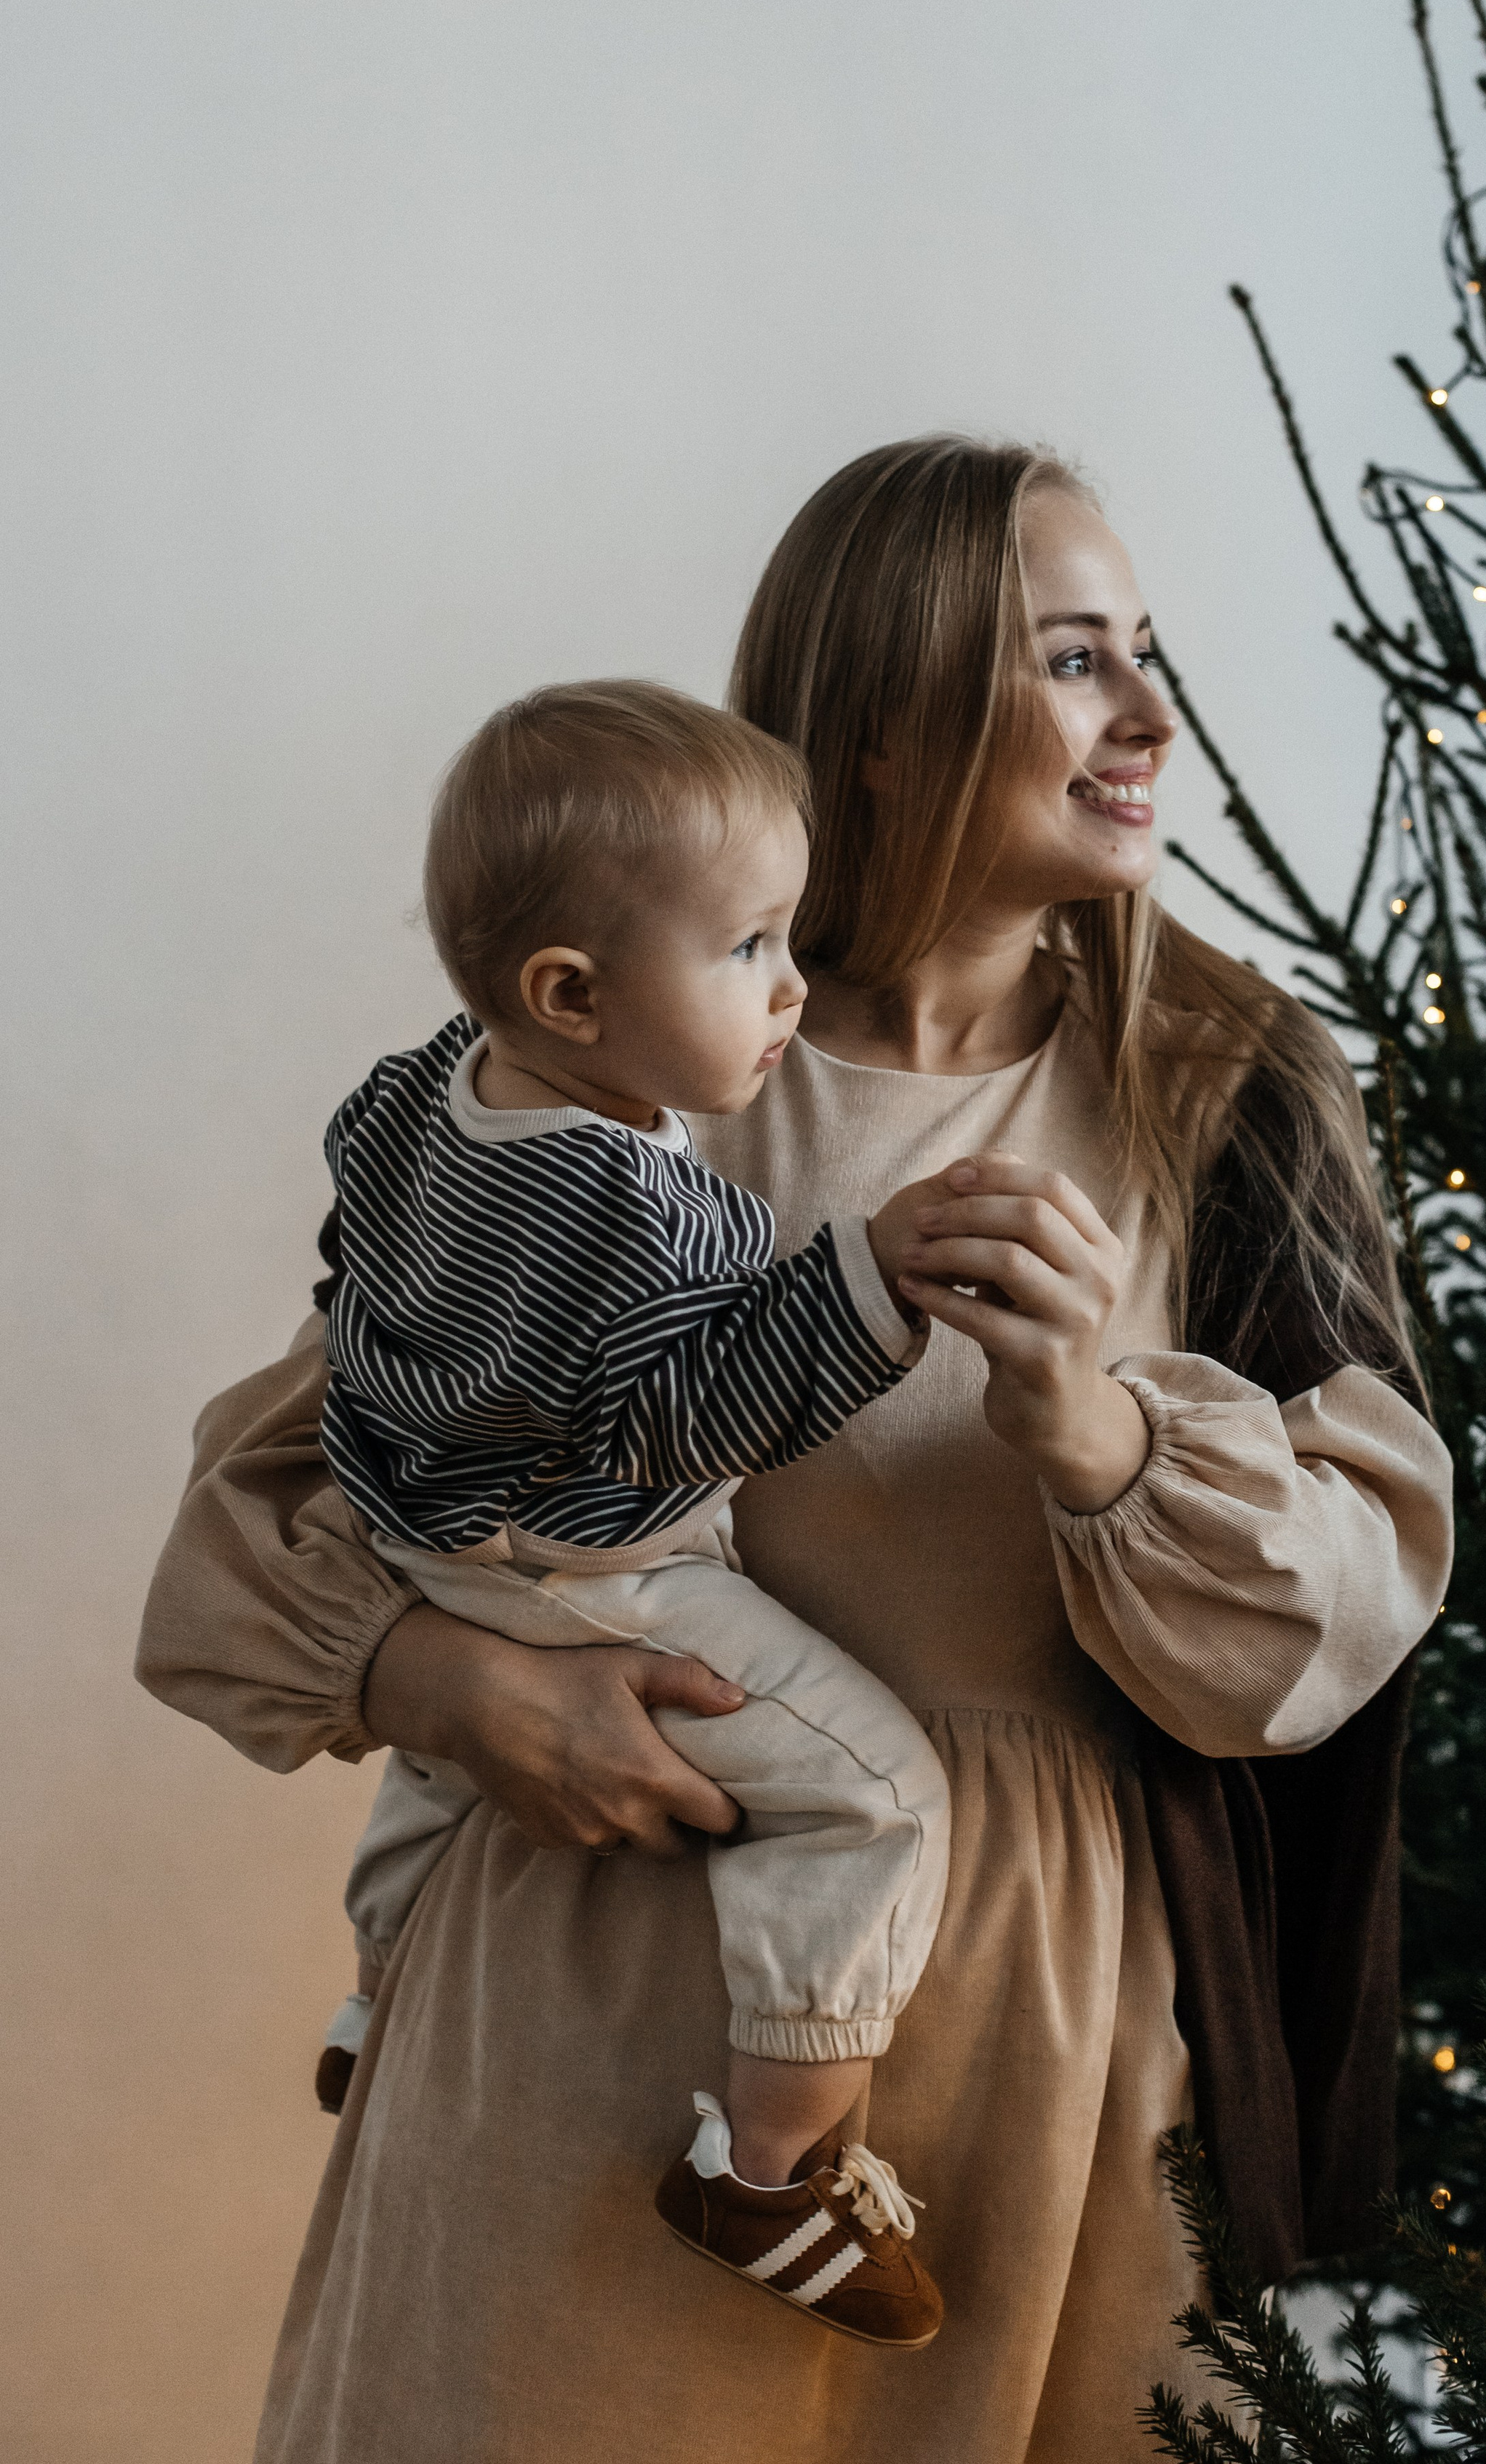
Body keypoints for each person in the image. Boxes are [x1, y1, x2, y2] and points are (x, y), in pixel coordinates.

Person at [137, 437, 1455, 2464]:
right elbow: (287, 1505)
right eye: (1076, 657)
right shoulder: (642, 1064)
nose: (1152, 715)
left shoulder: (1219, 1084)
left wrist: (1097, 1438)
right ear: (894, 723)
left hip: (1054, 2056)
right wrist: (449, 1683)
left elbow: (1344, 1620)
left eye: (1149, 651)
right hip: (585, 2020)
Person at [315, 676, 961, 2347]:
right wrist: (867, 1282)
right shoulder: (638, 1209)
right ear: (570, 994)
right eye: (748, 947)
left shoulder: (419, 1085)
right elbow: (701, 1408)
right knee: (879, 1791)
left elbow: (349, 1244)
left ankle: (372, 2000)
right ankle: (766, 2171)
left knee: (444, 1756)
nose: (791, 986)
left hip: (414, 1519)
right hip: (588, 1559)